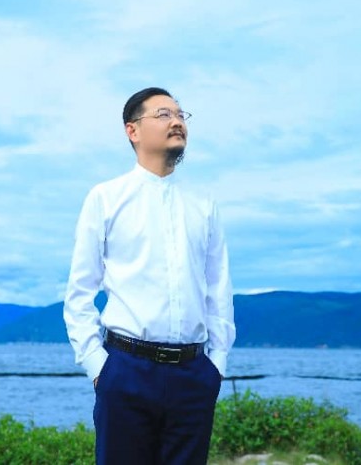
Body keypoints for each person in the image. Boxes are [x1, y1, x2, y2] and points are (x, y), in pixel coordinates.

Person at [63, 87, 236, 465]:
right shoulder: (106, 198)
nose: (177, 122)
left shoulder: (203, 203)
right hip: (126, 369)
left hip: (194, 373)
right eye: (163, 114)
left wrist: (217, 364)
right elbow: (80, 291)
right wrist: (98, 366)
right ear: (133, 130)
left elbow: (218, 288)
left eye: (180, 115)